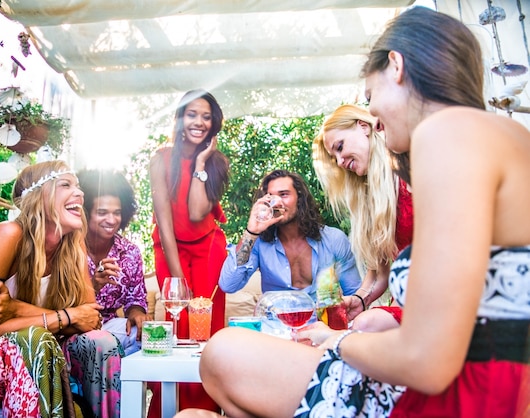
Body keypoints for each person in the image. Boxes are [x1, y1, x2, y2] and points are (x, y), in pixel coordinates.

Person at [175, 6, 530, 418]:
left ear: (395, 65)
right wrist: (389, 317)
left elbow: (427, 360)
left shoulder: (445, 132)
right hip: (497, 388)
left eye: (369, 96)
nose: (374, 115)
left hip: (455, 396)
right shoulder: (508, 137)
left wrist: (335, 340)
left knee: (221, 354)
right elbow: (484, 302)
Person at [0, 160, 125, 418]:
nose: (80, 193)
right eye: (66, 185)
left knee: (99, 342)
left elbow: (89, 320)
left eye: (78, 187)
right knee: (35, 339)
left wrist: (15, 309)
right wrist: (66, 316)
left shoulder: (73, 250)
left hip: (38, 368)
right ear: (38, 195)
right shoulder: (8, 234)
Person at [149, 89, 230, 414]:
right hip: (170, 248)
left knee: (206, 329)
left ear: (214, 124)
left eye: (206, 116)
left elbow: (198, 212)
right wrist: (178, 278)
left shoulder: (216, 162)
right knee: (177, 320)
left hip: (209, 249)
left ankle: (206, 411)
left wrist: (200, 163)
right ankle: (169, 410)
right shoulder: (161, 158)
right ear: (180, 119)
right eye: (192, 114)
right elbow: (165, 223)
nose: (198, 122)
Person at [313, 104, 413, 331]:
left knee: (366, 324)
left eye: (340, 147)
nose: (339, 161)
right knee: (360, 324)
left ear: (363, 127)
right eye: (334, 157)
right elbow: (380, 273)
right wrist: (359, 300)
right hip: (407, 307)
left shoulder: (411, 173)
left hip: (440, 301)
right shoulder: (372, 201)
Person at [219, 169, 361, 303]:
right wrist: (251, 231)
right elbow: (228, 285)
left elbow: (354, 292)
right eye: (270, 197)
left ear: (300, 199)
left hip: (322, 324)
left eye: (284, 194)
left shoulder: (333, 239)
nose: (277, 203)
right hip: (274, 325)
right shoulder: (259, 243)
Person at [78, 168, 151, 356]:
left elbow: (136, 299)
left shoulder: (130, 252)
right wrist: (93, 285)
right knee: (101, 344)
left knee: (148, 336)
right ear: (85, 213)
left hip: (109, 327)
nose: (111, 220)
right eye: (102, 212)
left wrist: (136, 314)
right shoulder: (68, 248)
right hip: (72, 327)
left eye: (117, 213)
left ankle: (123, 385)